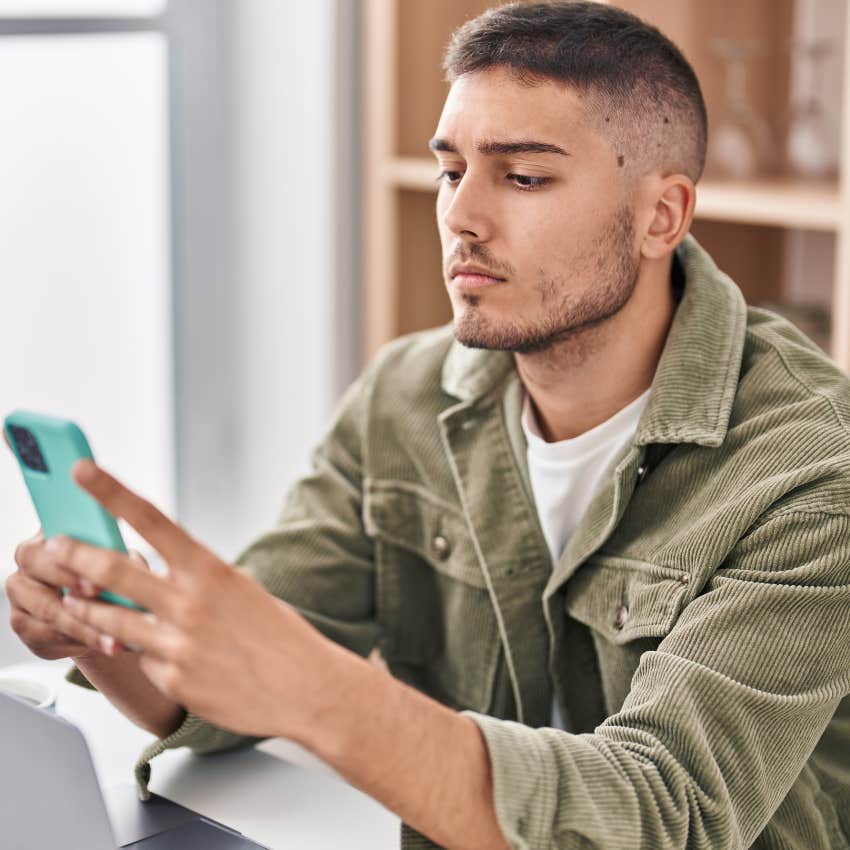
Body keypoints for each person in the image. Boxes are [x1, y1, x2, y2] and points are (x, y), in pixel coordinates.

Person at [6, 3, 850, 848]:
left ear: (660, 215)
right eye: (452, 171)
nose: (459, 216)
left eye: (522, 177)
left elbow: (668, 815)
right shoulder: (404, 396)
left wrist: (319, 692)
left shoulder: (813, 468)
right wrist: (114, 639)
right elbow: (246, 667)